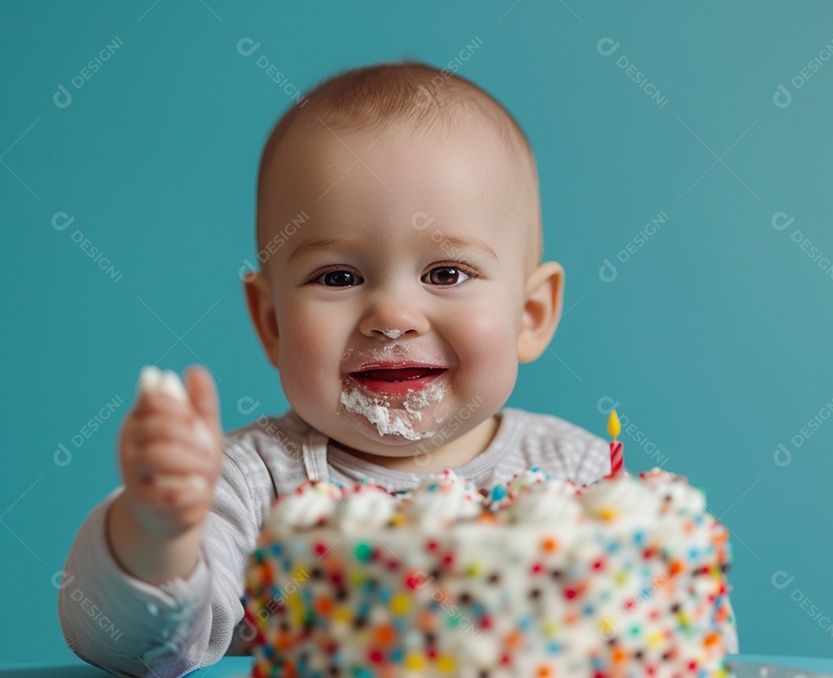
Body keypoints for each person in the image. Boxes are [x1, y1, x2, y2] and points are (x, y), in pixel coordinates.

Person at [58, 61, 609, 677]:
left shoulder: (584, 482)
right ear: (272, 322)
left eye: (446, 273)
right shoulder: (248, 487)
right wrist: (156, 536)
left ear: (530, 314)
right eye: (339, 277)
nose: (394, 316)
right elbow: (131, 649)